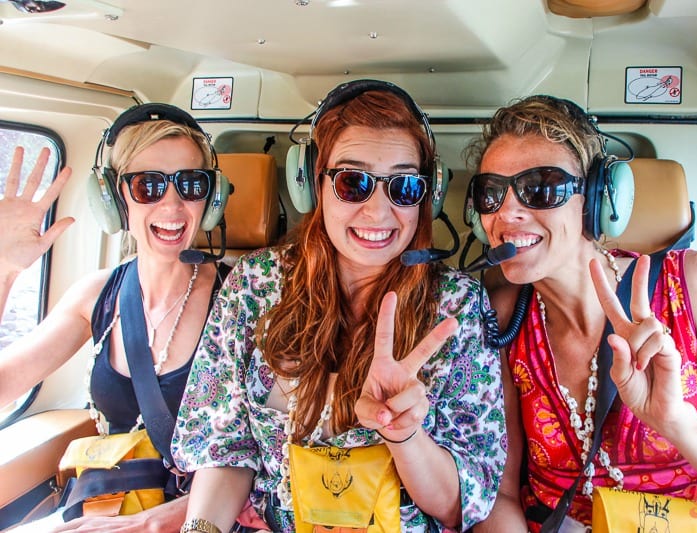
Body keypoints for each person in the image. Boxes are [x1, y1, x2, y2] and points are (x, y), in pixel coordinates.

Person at [171, 80, 506, 533]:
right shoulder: (253, 286)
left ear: (426, 194)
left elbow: (460, 505)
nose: (378, 212)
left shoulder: (457, 308)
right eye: (354, 182)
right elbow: (225, 451)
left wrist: (404, 434)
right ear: (313, 183)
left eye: (404, 186)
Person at [466, 95, 697, 532]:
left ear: (597, 200)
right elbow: (501, 496)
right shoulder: (501, 314)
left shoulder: (693, 286)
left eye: (540, 187)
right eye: (491, 193)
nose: (507, 213)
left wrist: (679, 424)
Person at [0, 103, 231, 532]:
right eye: (148, 186)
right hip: (103, 511)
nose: (173, 204)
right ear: (113, 198)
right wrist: (4, 269)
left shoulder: (240, 298)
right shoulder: (98, 295)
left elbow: (264, 457)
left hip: (203, 521)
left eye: (191, 184)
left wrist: (151, 524)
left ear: (211, 197)